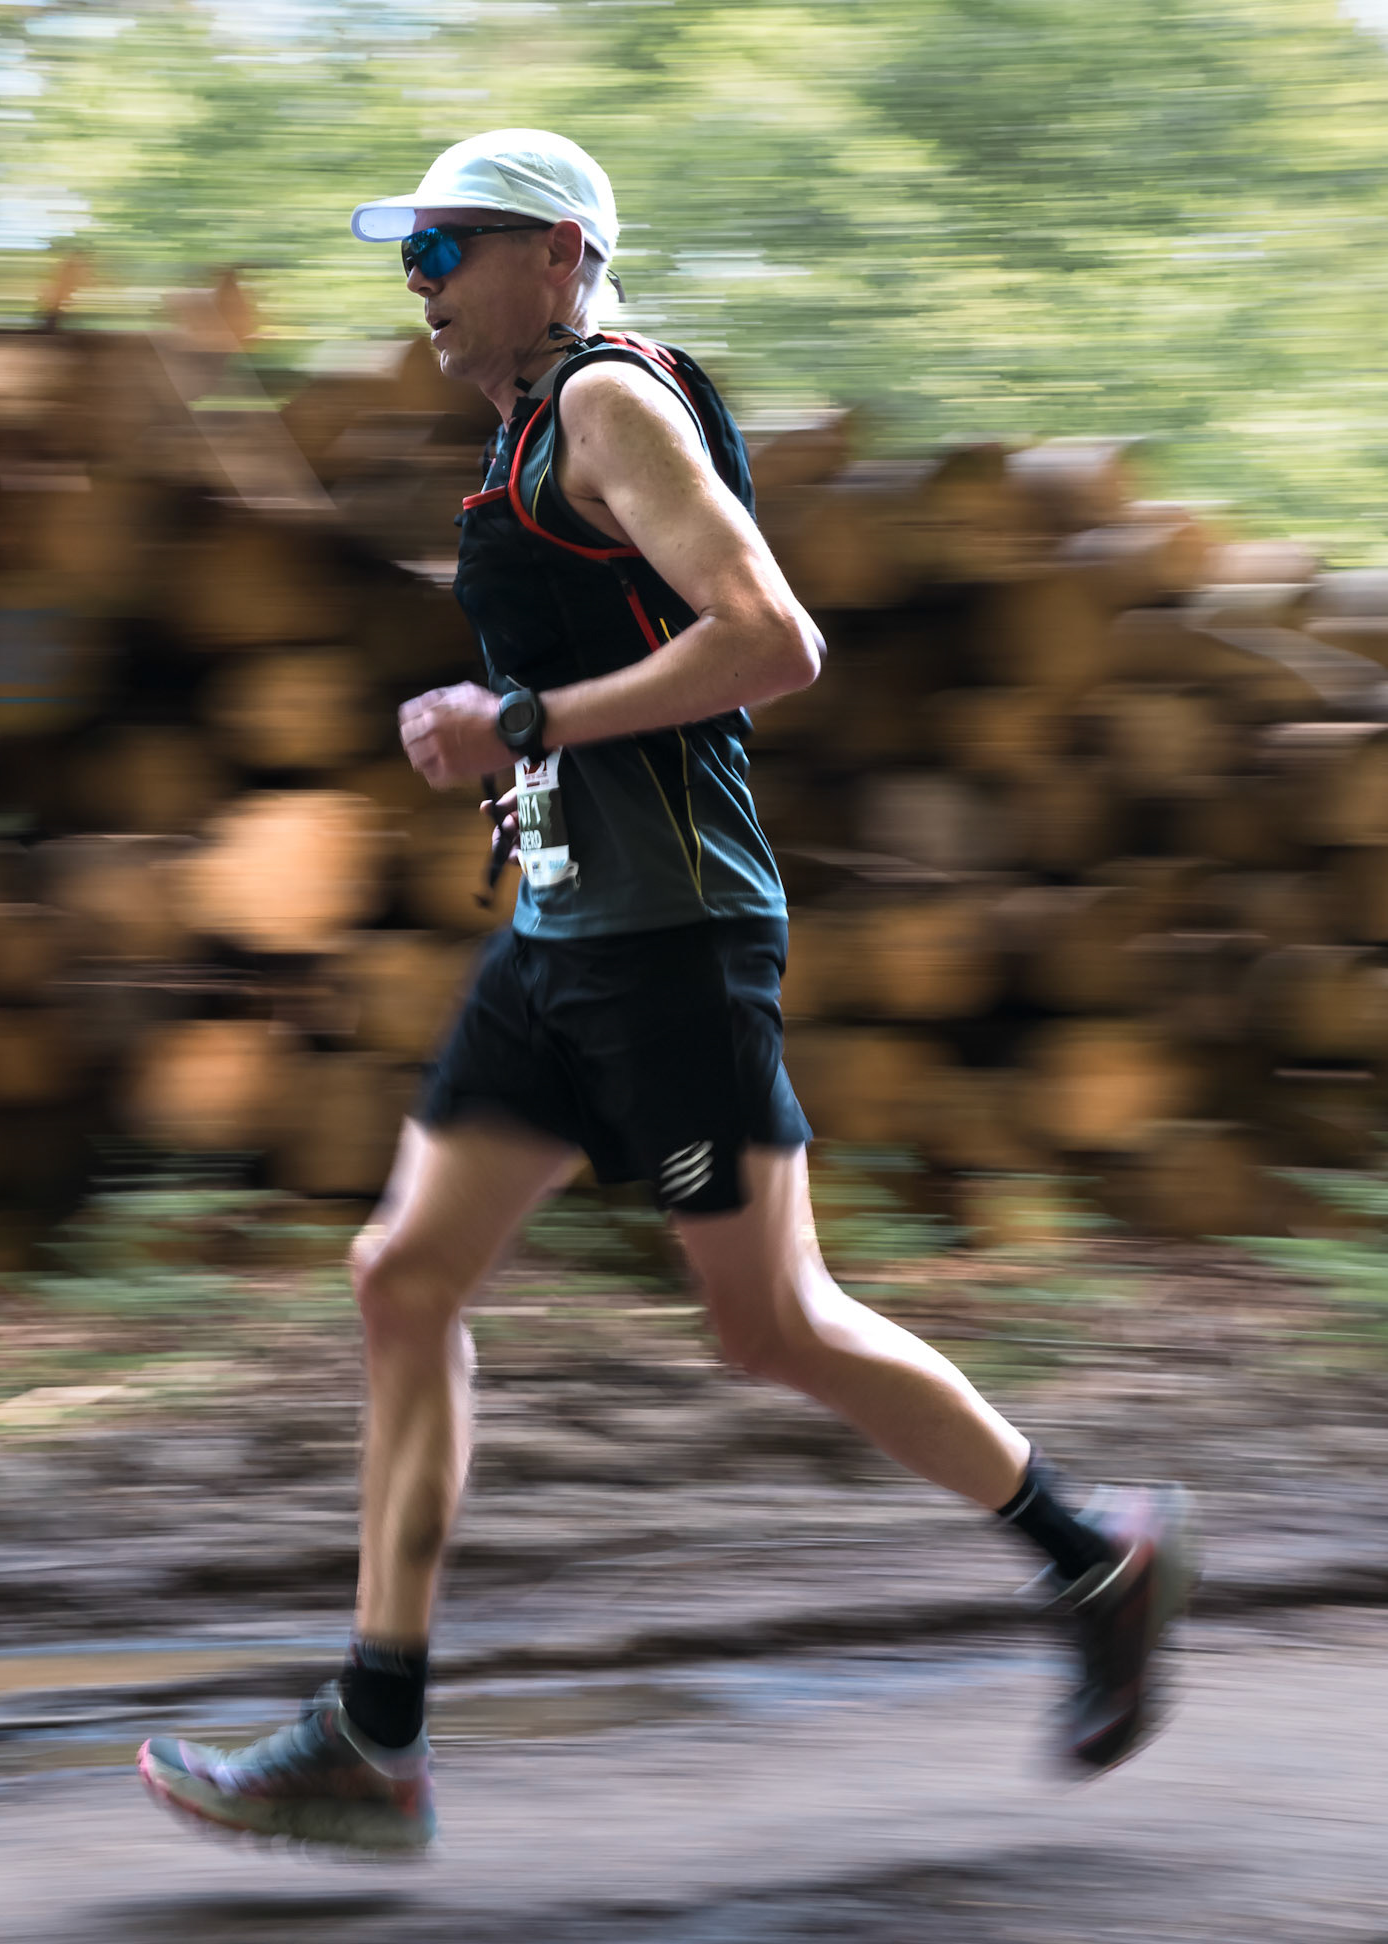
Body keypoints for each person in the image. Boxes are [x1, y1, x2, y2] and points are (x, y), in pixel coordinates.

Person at [137, 129, 1194, 1855]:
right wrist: (522, 753)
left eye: (442, 249)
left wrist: (522, 721)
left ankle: (1095, 1556)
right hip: (563, 937)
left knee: (770, 1322)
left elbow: (774, 641)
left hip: (674, 946)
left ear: (556, 255)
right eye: (406, 251)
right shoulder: (526, 432)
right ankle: (372, 1739)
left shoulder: (611, 401)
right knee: (403, 1275)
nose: (412, 280)